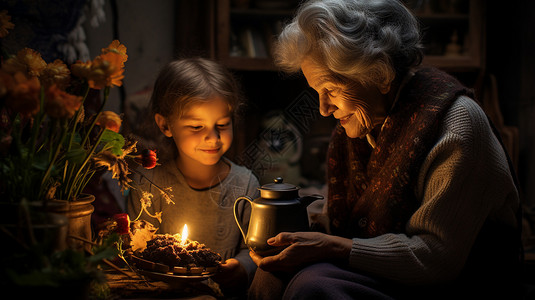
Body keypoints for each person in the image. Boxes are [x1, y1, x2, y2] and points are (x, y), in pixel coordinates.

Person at [247, 0, 522, 299]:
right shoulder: (362, 126)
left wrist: (331, 246)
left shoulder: (456, 124)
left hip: (461, 284)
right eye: (317, 93)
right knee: (271, 273)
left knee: (313, 286)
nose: (324, 109)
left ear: (378, 73)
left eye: (331, 90)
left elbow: (436, 259)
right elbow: (350, 220)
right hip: (395, 276)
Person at [127, 57, 259, 296]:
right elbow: (138, 250)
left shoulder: (245, 185)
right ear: (165, 125)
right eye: (197, 127)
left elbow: (254, 249)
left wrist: (242, 268)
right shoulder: (149, 184)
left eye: (222, 124)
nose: (213, 138)